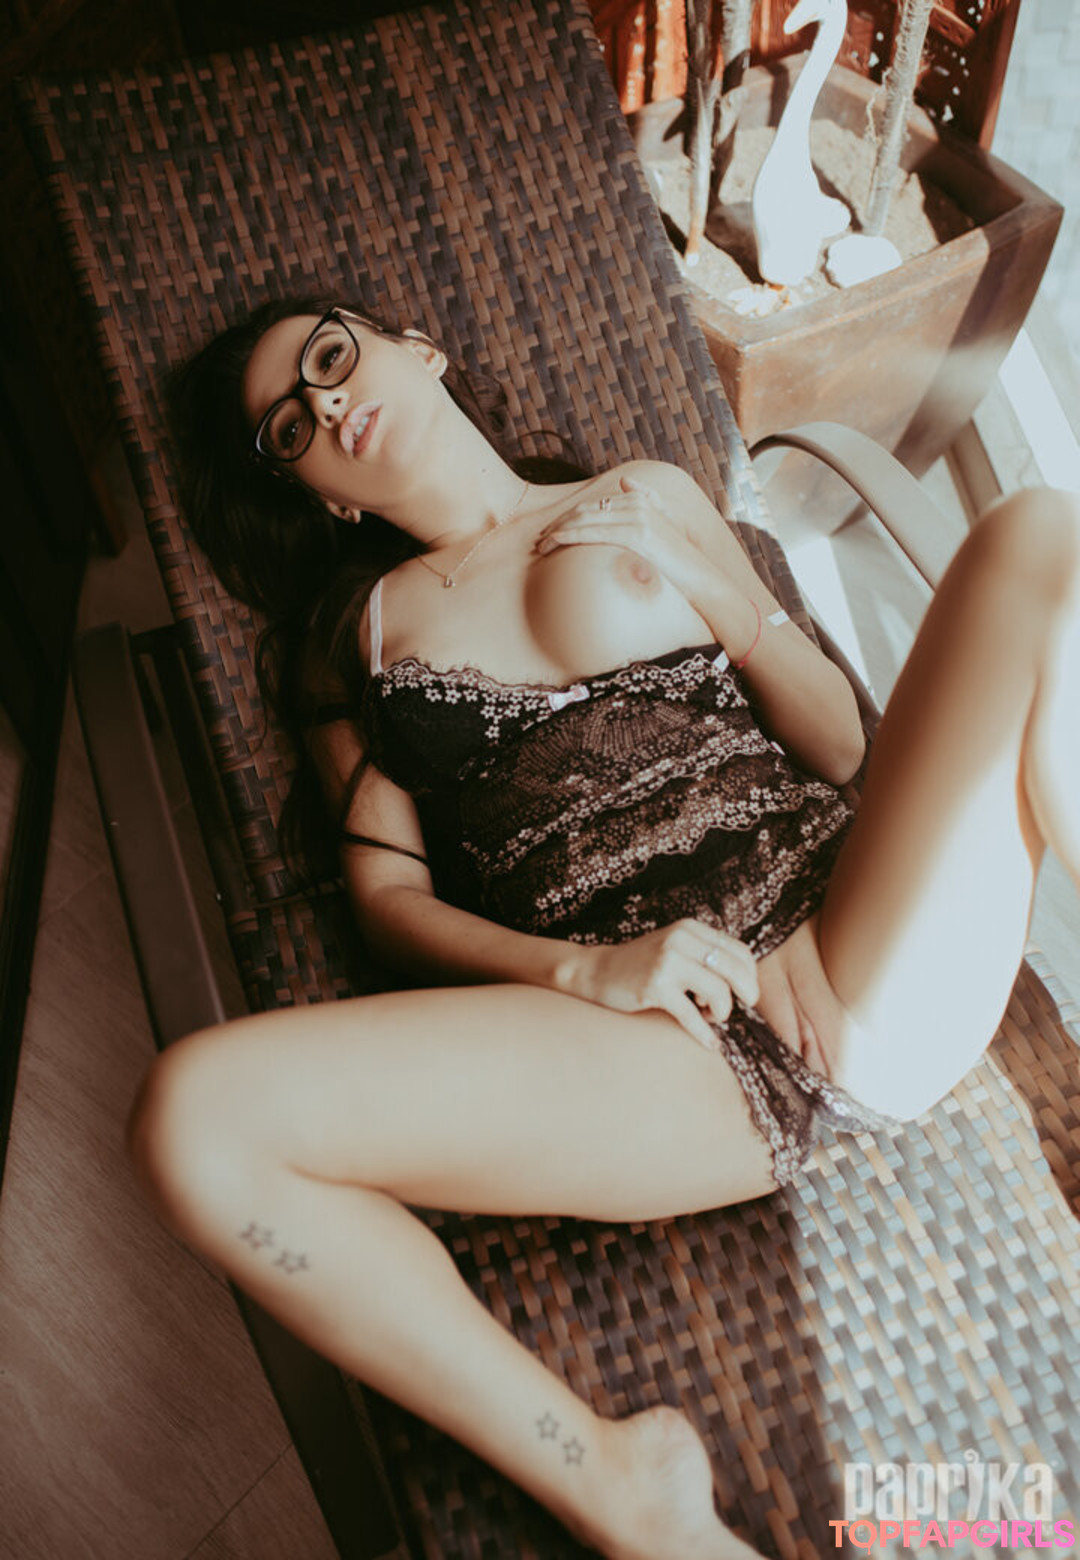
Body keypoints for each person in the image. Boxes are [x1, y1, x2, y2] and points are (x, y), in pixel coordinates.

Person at [131, 297, 1080, 1560]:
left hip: (852, 934)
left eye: (332, 356)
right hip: (663, 1049)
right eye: (290, 427)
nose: (327, 401)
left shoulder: (646, 493)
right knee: (193, 1117)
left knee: (1040, 536)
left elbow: (842, 748)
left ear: (418, 349)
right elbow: (391, 910)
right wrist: (586, 970)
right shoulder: (357, 641)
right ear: (323, 498)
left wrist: (729, 597)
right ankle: (619, 1489)